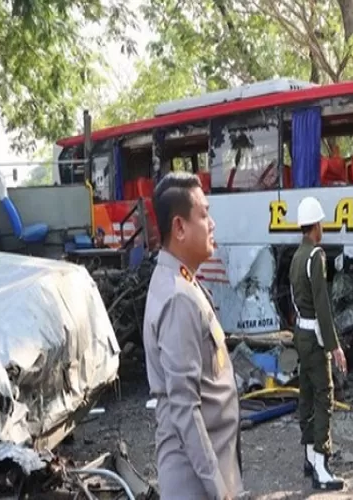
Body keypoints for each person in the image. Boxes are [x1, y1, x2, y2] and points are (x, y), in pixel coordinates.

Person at [142, 172, 244, 500]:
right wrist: (218, 488)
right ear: (180, 227)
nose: (211, 223)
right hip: (196, 481)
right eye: (203, 214)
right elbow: (184, 407)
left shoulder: (184, 283)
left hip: (210, 463)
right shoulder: (178, 298)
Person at [289, 196, 347, 491]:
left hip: (300, 332)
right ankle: (322, 465)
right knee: (325, 393)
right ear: (316, 226)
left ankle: (309, 456)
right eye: (321, 223)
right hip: (313, 335)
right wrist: (334, 346)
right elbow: (322, 305)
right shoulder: (316, 256)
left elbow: (293, 299)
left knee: (307, 394)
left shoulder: (297, 256)